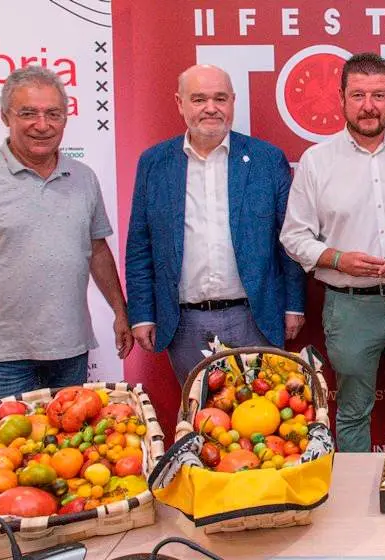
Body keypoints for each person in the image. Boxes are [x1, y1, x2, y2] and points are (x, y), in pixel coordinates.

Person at [0, 66, 132, 415]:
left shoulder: (83, 178)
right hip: (1, 357)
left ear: (66, 118)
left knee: (69, 458)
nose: (42, 124)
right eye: (28, 113)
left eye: (53, 113)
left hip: (70, 350)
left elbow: (96, 249)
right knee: (6, 458)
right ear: (5, 116)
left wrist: (120, 311)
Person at [280, 53, 385, 452]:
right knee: (353, 411)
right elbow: (294, 236)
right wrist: (338, 259)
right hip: (349, 305)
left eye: (378, 95)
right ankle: (357, 506)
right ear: (341, 98)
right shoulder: (317, 162)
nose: (368, 105)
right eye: (358, 95)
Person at [126, 64, 306, 383]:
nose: (211, 108)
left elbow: (289, 240)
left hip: (255, 316)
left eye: (220, 98)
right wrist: (141, 313)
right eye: (198, 99)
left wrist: (293, 305)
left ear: (233, 102)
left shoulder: (267, 159)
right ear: (180, 103)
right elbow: (140, 245)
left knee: (262, 419)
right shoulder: (154, 163)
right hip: (184, 324)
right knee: (200, 420)